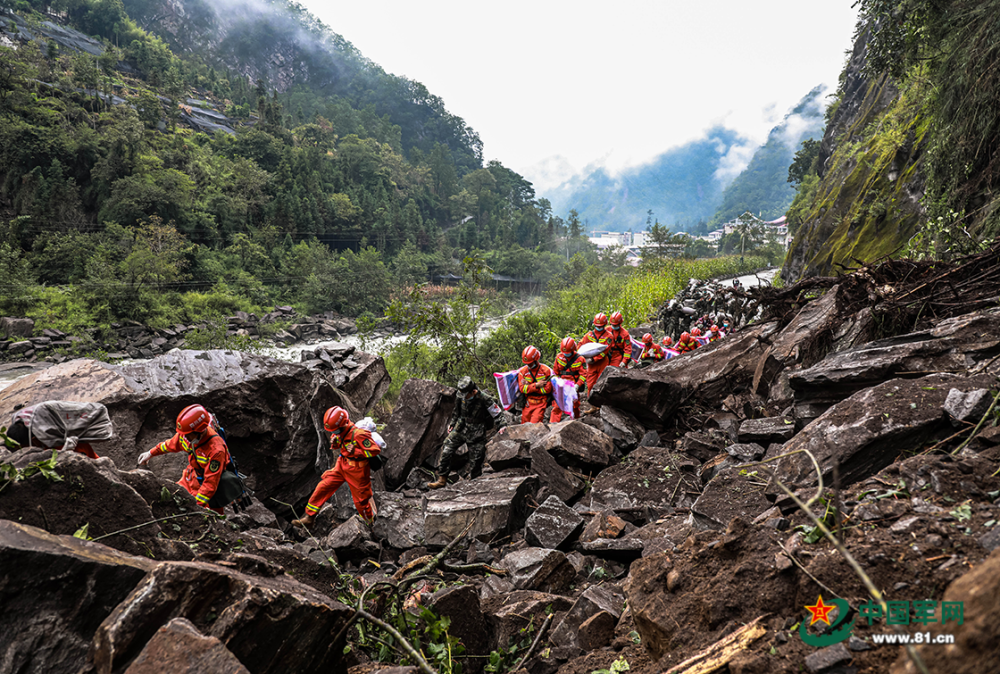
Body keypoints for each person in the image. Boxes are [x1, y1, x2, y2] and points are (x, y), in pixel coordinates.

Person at [292, 406, 380, 528]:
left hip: (357, 471)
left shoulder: (359, 435)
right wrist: (335, 443)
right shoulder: (340, 432)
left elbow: (374, 450)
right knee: (323, 486)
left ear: (343, 425)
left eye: (336, 430)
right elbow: (341, 443)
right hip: (341, 466)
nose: (334, 432)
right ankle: (309, 517)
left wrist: (357, 451)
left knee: (361, 502)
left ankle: (371, 524)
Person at [138, 404, 234, 514]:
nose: (184, 437)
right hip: (190, 479)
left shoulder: (216, 450)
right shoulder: (187, 434)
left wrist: (196, 506)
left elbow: (210, 484)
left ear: (200, 431)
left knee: (206, 517)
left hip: (207, 490)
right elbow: (171, 444)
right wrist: (151, 453)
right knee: (174, 499)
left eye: (187, 435)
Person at [427, 377, 506, 488]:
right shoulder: (461, 395)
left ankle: (474, 486)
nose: (463, 397)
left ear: (473, 391)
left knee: (476, 463)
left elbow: (497, 413)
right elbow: (456, 411)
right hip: (461, 428)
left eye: (466, 395)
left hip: (477, 432)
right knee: (447, 448)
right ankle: (442, 479)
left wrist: (502, 425)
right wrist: (452, 423)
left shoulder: (484, 398)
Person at [550, 337, 586, 422]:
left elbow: (584, 374)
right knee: (557, 406)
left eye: (568, 352)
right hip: (561, 385)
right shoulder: (559, 357)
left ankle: (576, 422)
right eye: (564, 352)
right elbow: (555, 372)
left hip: (573, 386)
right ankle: (552, 426)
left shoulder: (580, 359)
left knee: (574, 406)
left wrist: (578, 384)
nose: (566, 354)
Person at [518, 345, 553, 423]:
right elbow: (522, 389)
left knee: (534, 425)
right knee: (524, 426)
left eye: (530, 363)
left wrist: (529, 387)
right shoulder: (523, 372)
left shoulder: (545, 370)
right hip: (527, 404)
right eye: (527, 364)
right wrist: (537, 385)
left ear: (536, 360)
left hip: (540, 403)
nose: (529, 365)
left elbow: (547, 390)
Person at [580, 313, 612, 394]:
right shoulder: (589, 335)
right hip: (591, 365)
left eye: (601, 326)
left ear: (604, 325)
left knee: (602, 383)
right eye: (597, 326)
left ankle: (601, 404)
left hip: (603, 362)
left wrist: (593, 359)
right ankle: (593, 405)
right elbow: (580, 346)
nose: (599, 328)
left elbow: (605, 352)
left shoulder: (609, 336)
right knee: (590, 384)